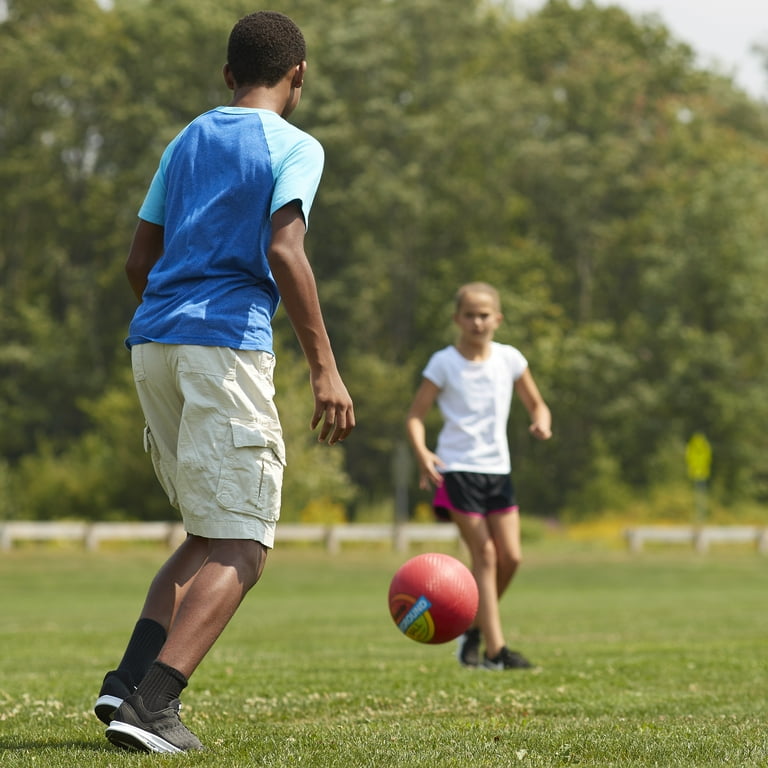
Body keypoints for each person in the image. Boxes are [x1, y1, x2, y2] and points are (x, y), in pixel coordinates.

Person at [94, 11, 354, 753]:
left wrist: (173, 318)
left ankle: (125, 683)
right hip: (222, 347)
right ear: (298, 75)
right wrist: (326, 370)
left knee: (206, 533)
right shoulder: (295, 145)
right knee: (244, 542)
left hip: (154, 342)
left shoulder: (186, 138)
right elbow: (285, 249)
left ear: (226, 75)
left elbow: (138, 262)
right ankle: (154, 707)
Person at [405, 282, 550, 670]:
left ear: (498, 319)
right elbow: (415, 416)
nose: (477, 321)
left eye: (485, 315)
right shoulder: (444, 363)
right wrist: (423, 455)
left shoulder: (510, 360)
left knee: (513, 557)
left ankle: (471, 628)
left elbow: (537, 404)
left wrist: (541, 422)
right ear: (457, 319)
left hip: (497, 471)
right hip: (456, 471)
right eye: (469, 315)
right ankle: (496, 653)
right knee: (484, 555)